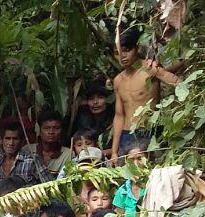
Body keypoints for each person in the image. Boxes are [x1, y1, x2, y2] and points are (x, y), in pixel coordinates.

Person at [111, 27, 178, 161]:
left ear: (136, 48)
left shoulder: (149, 68)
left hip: (149, 132)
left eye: (126, 50)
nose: (122, 56)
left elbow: (178, 83)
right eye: (117, 53)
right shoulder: (118, 80)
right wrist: (114, 151)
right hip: (126, 135)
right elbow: (119, 116)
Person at [0, 121, 44, 186]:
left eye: (15, 139)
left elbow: (49, 184)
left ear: (21, 141)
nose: (11, 143)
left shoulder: (32, 160)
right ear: (1, 141)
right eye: (7, 138)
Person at [28, 108, 73, 174]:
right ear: (39, 130)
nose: (51, 132)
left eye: (56, 128)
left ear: (61, 131)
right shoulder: (28, 150)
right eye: (47, 128)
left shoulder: (68, 154)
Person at [72, 80, 113, 145]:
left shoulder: (114, 117)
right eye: (91, 98)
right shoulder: (83, 116)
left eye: (100, 98)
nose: (95, 102)